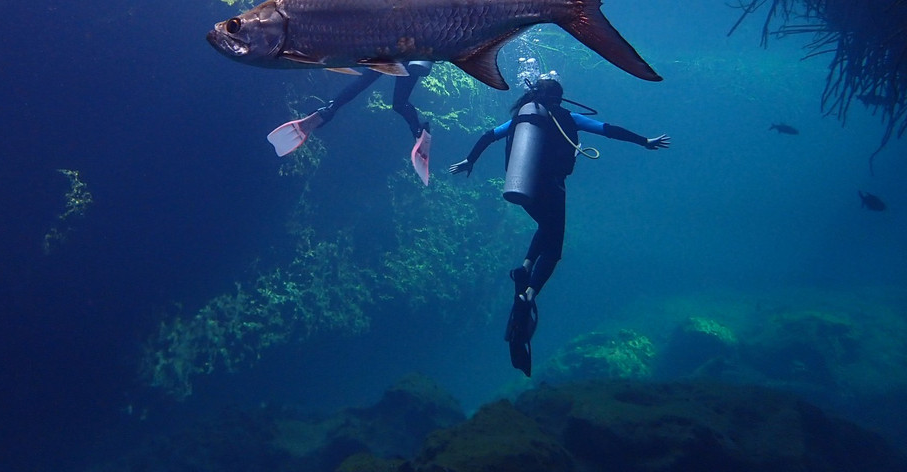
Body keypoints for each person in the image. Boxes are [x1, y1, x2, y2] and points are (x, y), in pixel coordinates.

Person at [449, 76, 669, 376]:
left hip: (521, 187)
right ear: (560, 98)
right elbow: (608, 130)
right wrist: (644, 141)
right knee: (554, 251)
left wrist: (469, 160)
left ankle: (525, 266)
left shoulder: (522, 116)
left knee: (545, 226)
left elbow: (489, 135)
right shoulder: (567, 116)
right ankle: (529, 293)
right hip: (552, 187)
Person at [267, 60, 434, 183]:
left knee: (361, 82)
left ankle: (328, 109)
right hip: (410, 56)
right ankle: (419, 130)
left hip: (392, 51)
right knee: (399, 103)